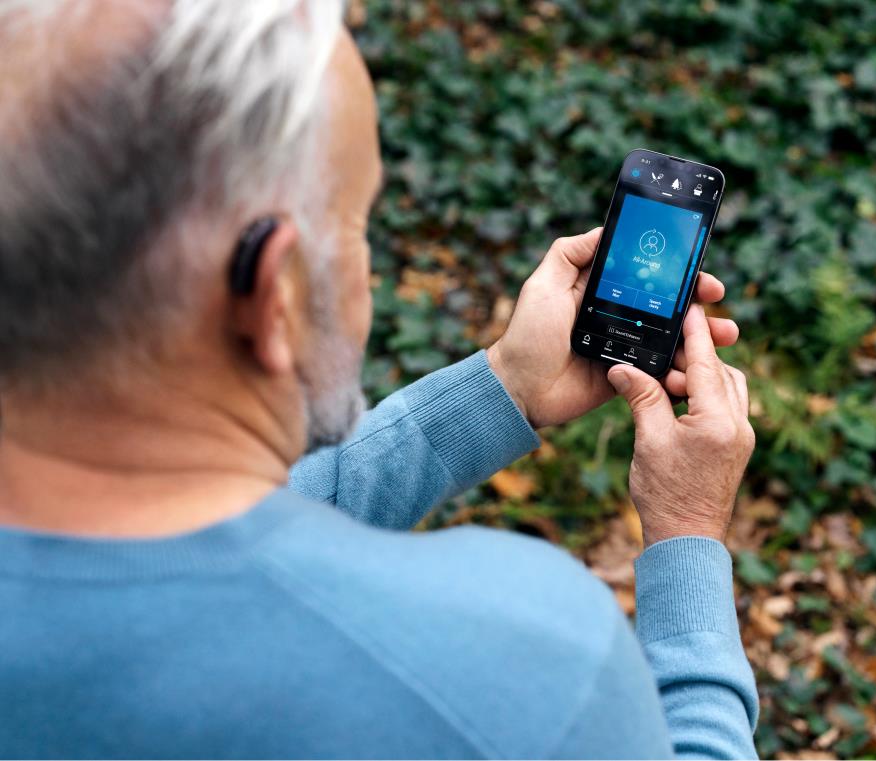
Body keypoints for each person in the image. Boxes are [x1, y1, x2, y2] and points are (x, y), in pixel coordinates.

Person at [0, 2, 757, 758]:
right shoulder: (522, 663)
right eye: (358, 226)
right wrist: (686, 532)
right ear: (277, 294)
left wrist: (504, 387)